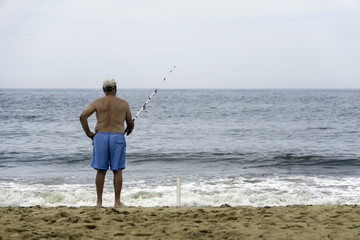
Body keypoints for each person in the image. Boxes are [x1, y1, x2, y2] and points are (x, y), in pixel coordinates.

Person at [80, 78, 134, 207]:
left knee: (100, 171)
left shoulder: (97, 102)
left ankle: (99, 202)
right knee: (117, 171)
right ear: (116, 88)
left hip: (100, 137)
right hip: (117, 137)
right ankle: (117, 202)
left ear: (103, 89)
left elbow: (82, 116)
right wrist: (130, 127)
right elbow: (130, 123)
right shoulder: (123, 103)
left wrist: (88, 133)